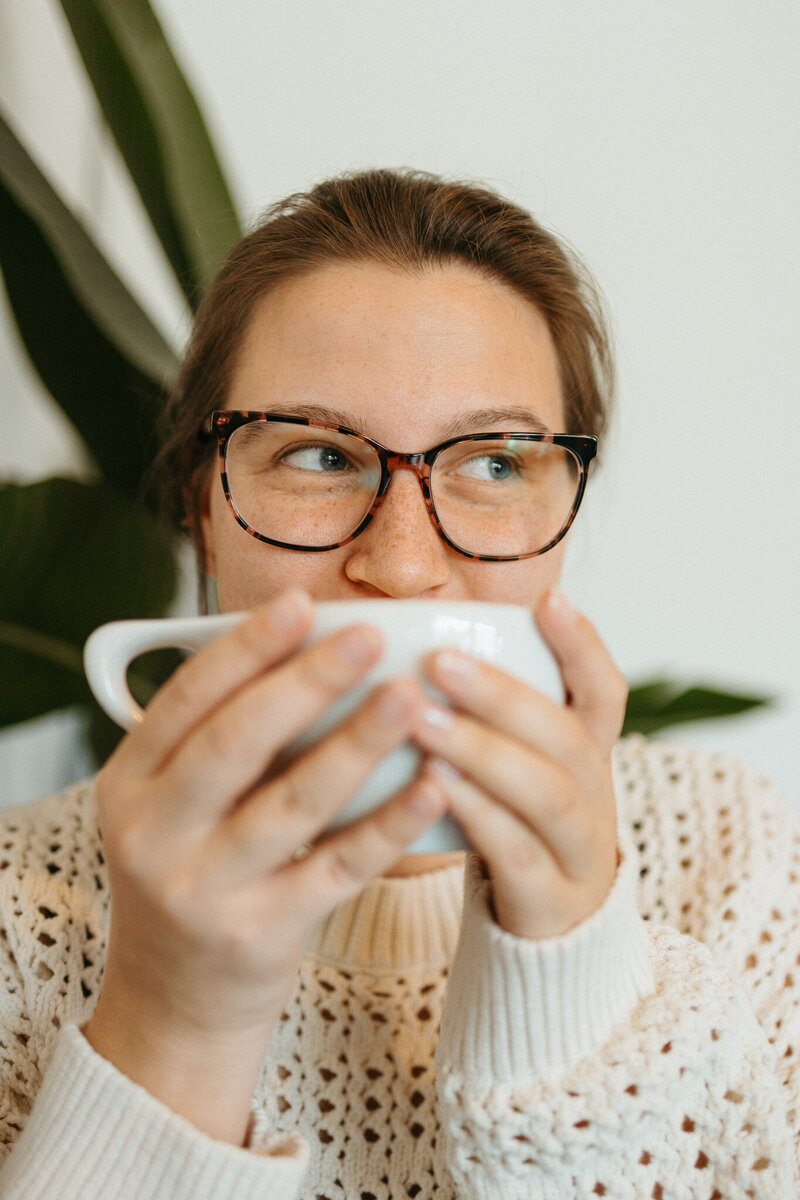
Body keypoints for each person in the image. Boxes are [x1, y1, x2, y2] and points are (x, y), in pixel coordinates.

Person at [0, 169, 797, 1199]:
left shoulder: (739, 872)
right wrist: (175, 1026)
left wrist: (569, 972)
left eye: (496, 465)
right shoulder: (21, 918)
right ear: (204, 507)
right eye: (320, 456)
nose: (403, 562)